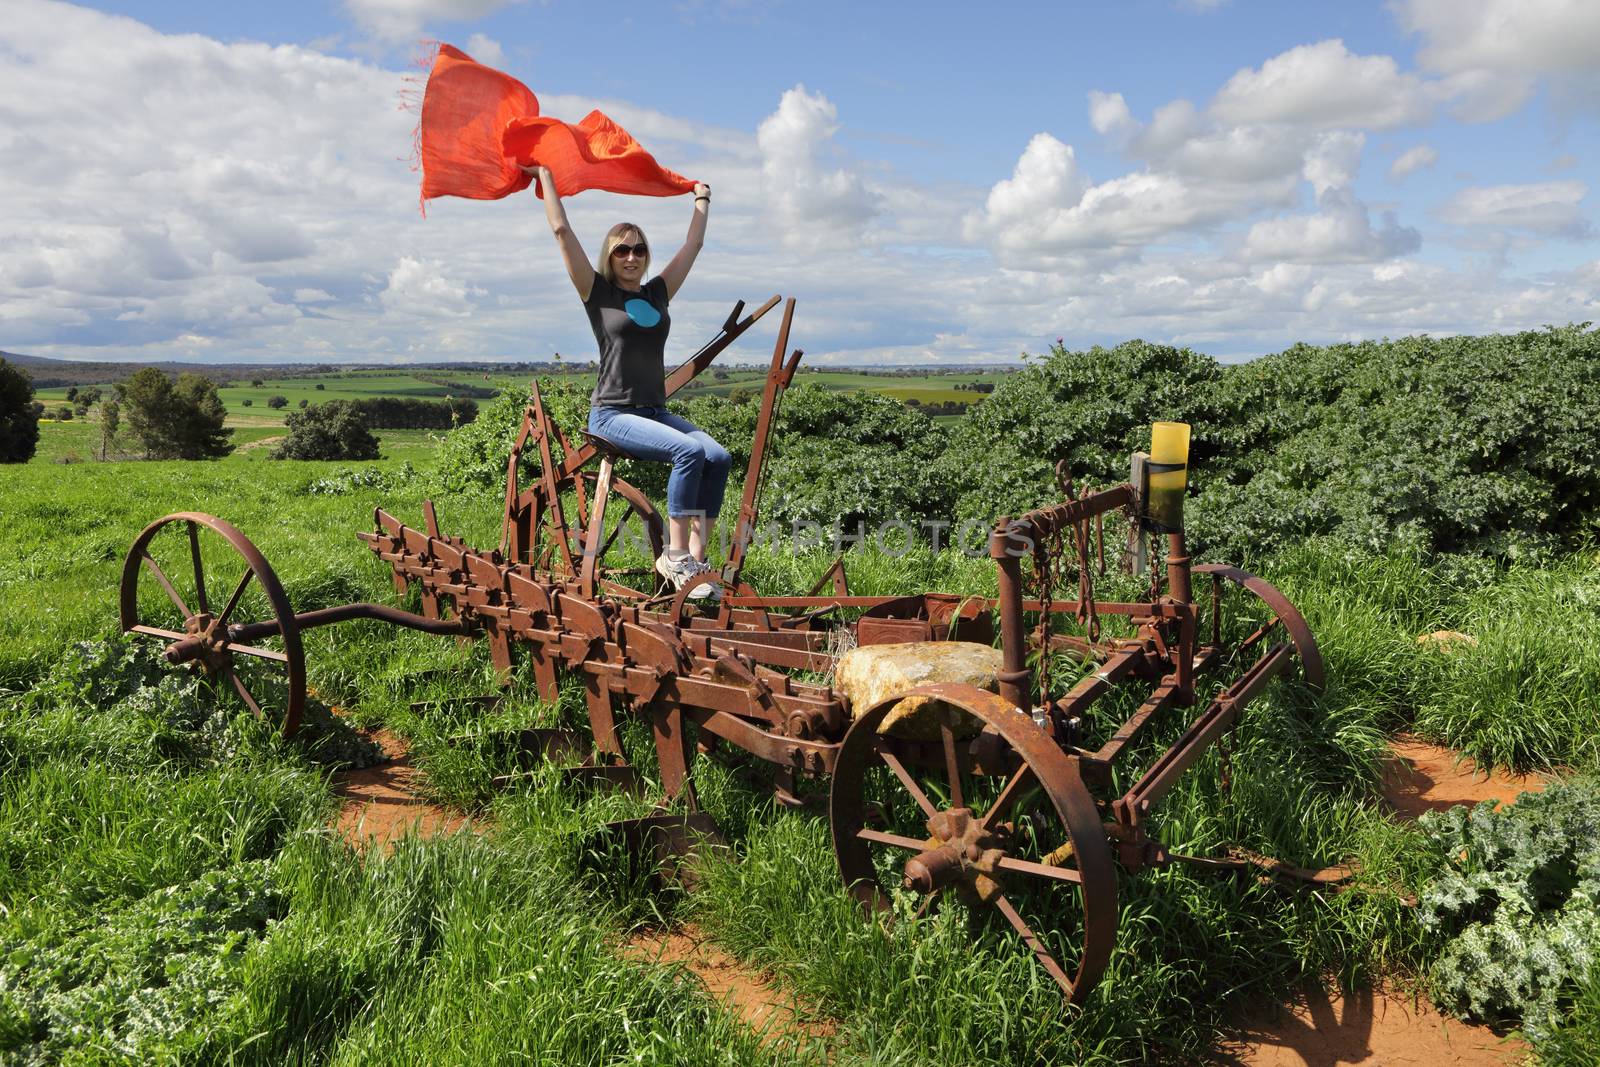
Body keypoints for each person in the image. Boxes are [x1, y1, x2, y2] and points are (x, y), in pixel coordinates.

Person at [527, 164, 730, 601]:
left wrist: (701, 198)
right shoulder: (598, 293)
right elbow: (562, 231)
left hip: (653, 411)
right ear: (610, 256)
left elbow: (693, 245)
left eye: (639, 249)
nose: (632, 257)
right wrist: (546, 174)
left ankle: (695, 558)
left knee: (718, 455)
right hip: (612, 414)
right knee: (688, 450)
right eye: (622, 251)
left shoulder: (656, 293)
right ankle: (673, 556)